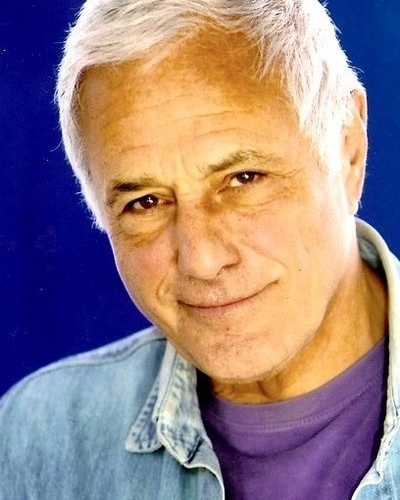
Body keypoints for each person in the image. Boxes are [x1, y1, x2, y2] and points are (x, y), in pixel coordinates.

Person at [0, 0, 398, 498]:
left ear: (349, 150)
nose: (202, 260)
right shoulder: (34, 440)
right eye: (145, 203)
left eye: (243, 178)